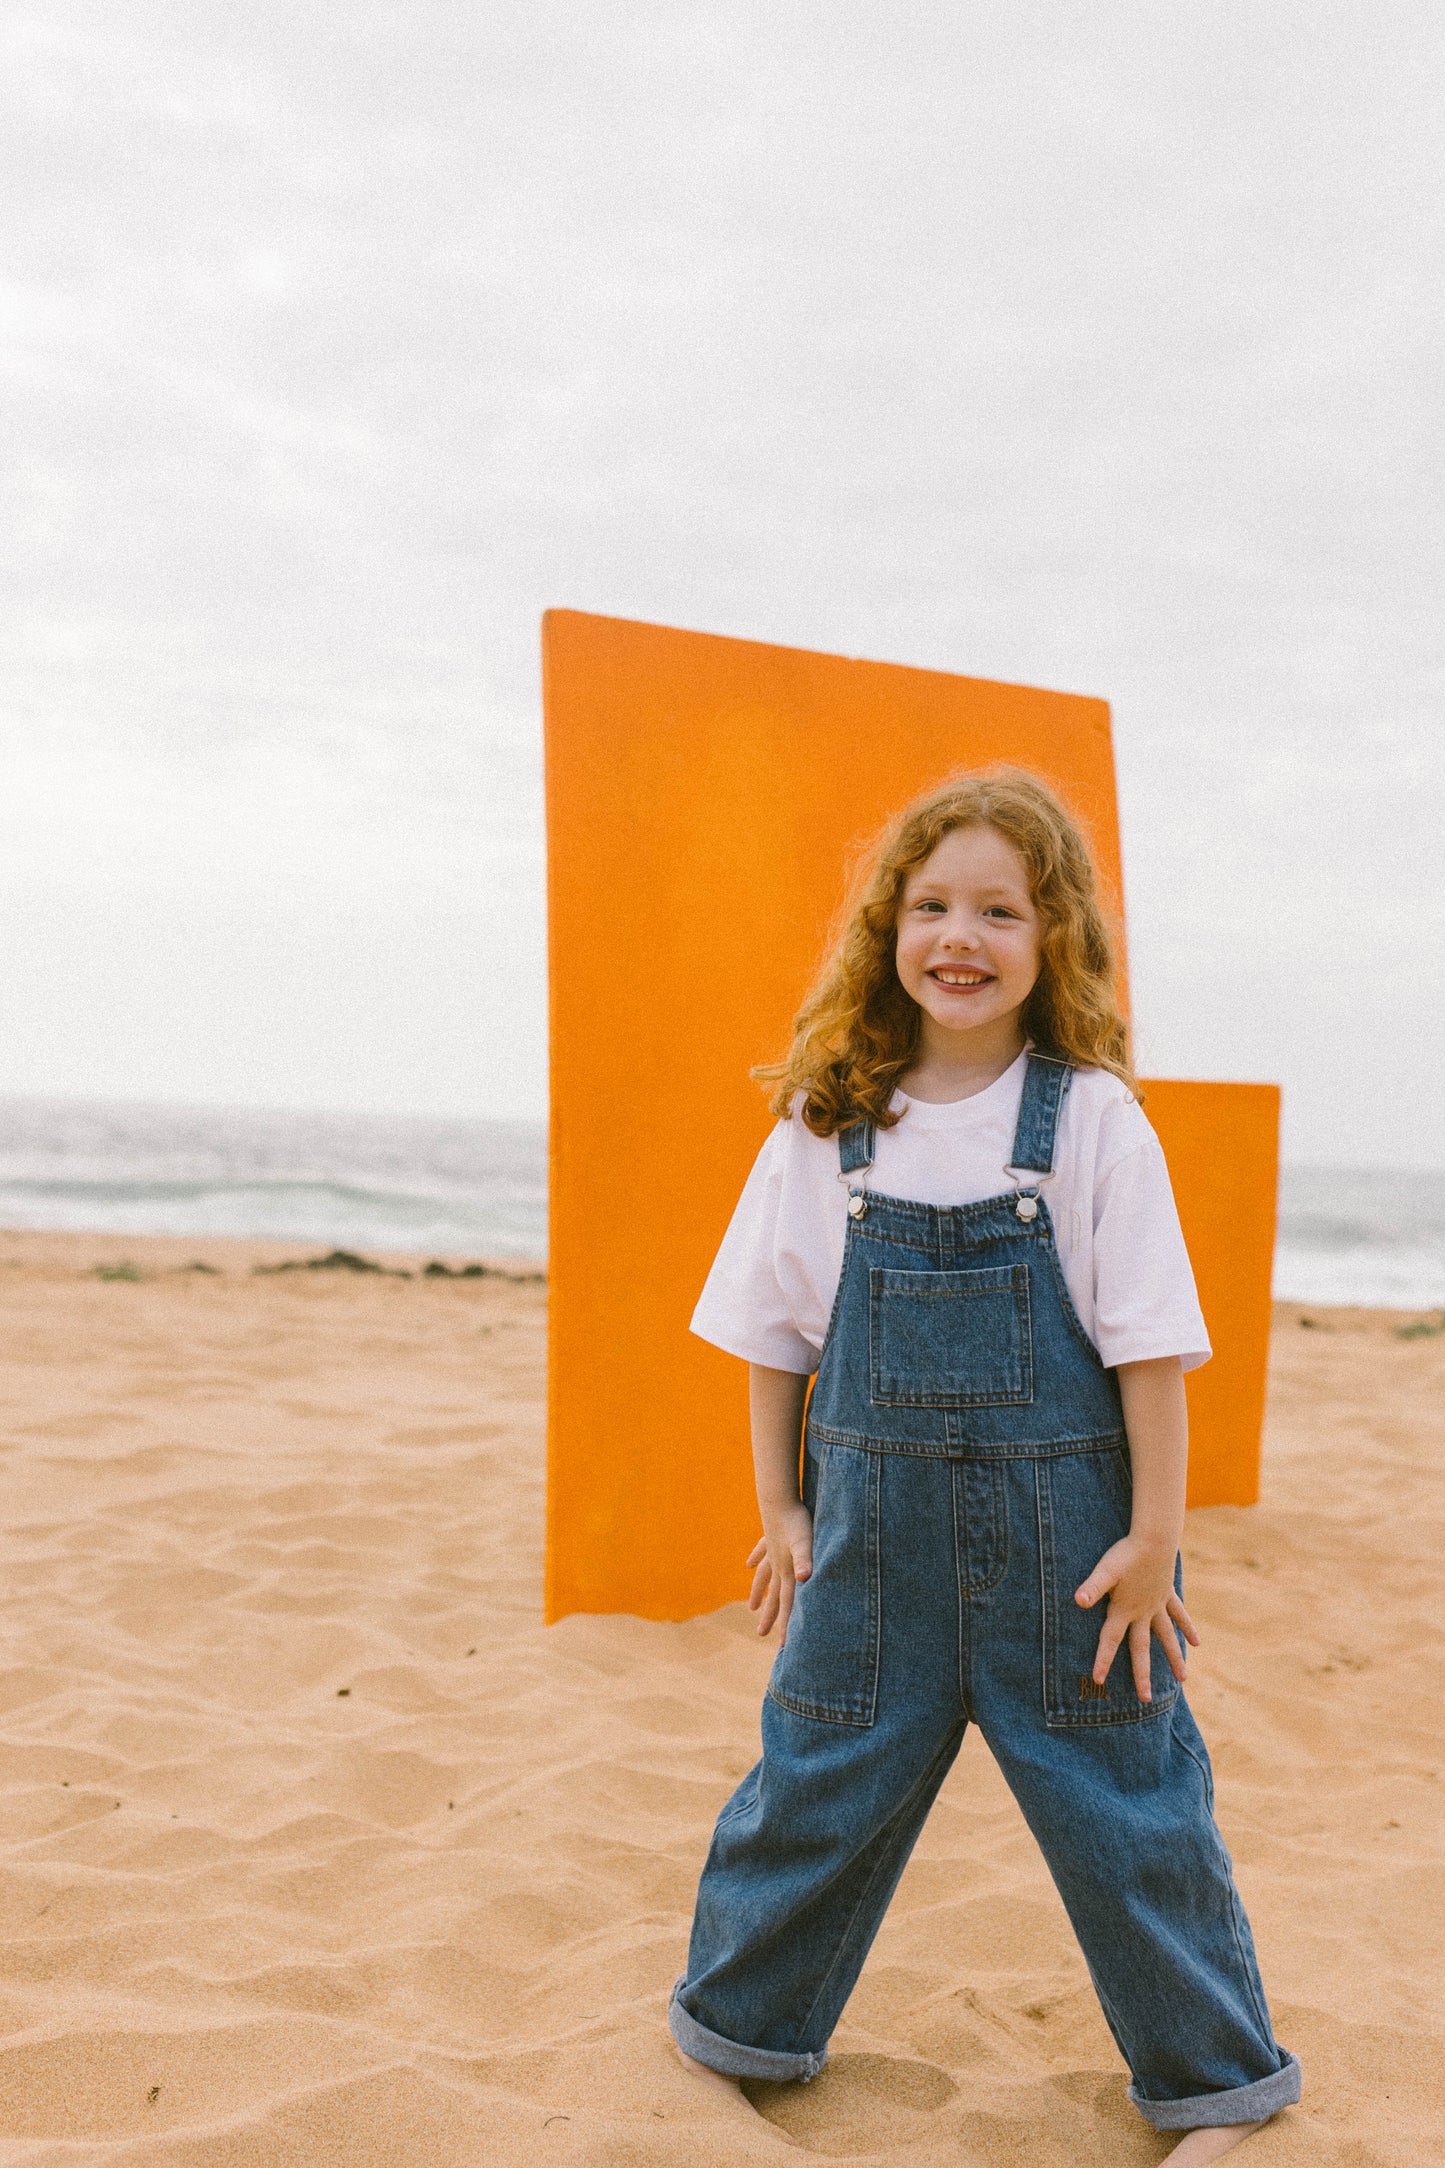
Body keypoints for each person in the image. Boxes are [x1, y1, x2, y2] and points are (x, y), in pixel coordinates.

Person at [668, 768, 1300, 2162]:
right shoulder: (824, 1122)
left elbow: (1150, 1349)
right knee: (810, 1785)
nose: (961, 937)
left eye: (999, 911)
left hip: (1067, 1558)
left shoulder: (1086, 1122)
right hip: (866, 1553)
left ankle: (1213, 2088)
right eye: (931, 904)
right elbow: (773, 1334)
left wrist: (1151, 1540)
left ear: (1051, 938)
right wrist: (777, 1505)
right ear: (886, 927)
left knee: (1126, 1809)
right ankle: (733, 2037)